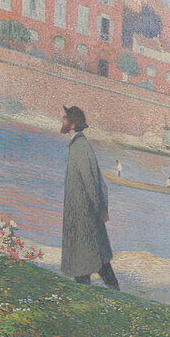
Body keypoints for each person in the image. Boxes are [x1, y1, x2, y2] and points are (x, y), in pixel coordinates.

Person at [59, 105, 118, 289]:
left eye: (66, 117)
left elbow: (93, 183)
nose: (62, 119)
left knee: (90, 257)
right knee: (91, 257)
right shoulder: (78, 145)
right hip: (83, 213)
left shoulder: (80, 147)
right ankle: (110, 290)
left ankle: (113, 290)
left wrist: (100, 209)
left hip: (84, 214)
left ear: (73, 123)